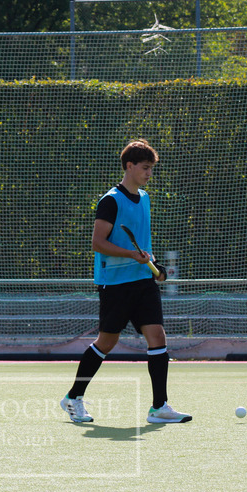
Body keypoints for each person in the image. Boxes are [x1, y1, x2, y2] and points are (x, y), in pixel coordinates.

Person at [59, 139, 192, 425]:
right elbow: (98, 243)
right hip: (115, 284)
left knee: (157, 337)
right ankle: (73, 397)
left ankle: (159, 407)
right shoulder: (110, 200)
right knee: (106, 343)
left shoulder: (144, 198)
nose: (149, 174)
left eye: (151, 169)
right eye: (145, 168)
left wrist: (152, 264)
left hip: (143, 282)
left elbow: (143, 243)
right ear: (129, 166)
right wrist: (132, 254)